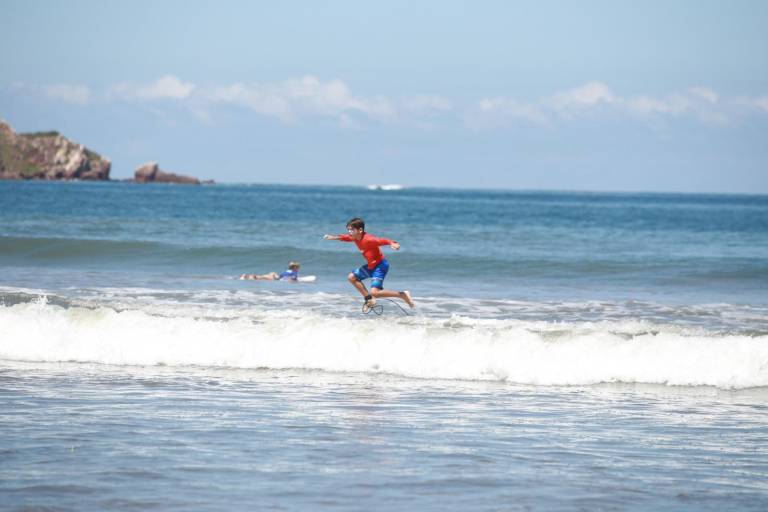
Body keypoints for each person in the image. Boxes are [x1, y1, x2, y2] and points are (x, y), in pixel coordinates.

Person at [323, 217, 414, 310]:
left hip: (380, 266)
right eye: (348, 229)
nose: (349, 232)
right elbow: (346, 237)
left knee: (375, 293)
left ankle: (402, 294)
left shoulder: (369, 239)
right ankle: (369, 299)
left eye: (352, 229)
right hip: (371, 266)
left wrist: (394, 244)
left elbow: (383, 240)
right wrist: (333, 237)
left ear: (360, 230)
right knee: (352, 277)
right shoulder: (355, 237)